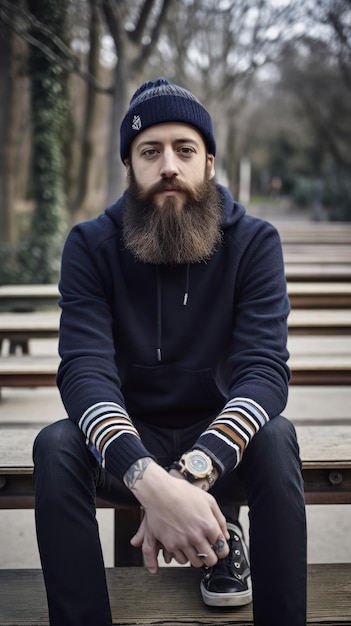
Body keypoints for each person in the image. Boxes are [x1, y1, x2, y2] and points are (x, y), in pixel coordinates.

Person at [33, 77, 307, 626]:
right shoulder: (90, 244)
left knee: (278, 438)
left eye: (184, 149)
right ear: (129, 167)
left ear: (209, 162)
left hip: (222, 438)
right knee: (55, 445)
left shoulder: (255, 242)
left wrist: (187, 479)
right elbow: (84, 368)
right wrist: (145, 477)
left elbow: (264, 371)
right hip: (127, 434)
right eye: (149, 151)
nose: (168, 166)